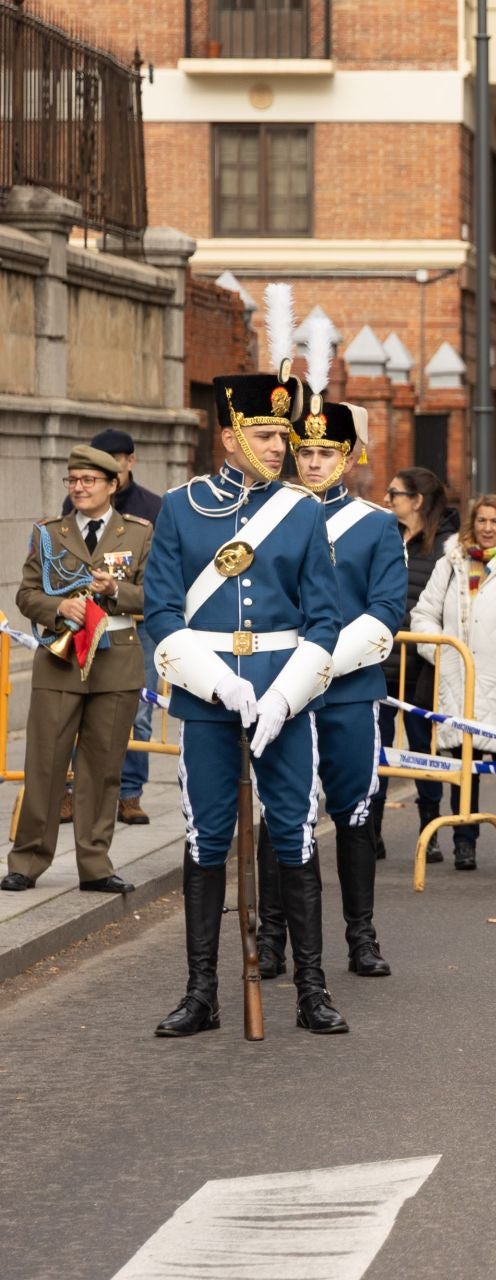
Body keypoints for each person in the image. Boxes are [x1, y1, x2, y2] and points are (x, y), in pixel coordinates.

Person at [147, 283, 346, 1037]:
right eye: (265, 437)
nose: (280, 448)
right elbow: (163, 616)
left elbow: (324, 621)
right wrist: (222, 684)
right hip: (207, 697)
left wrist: (286, 695)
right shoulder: (180, 508)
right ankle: (202, 993)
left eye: (281, 437)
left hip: (285, 699)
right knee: (206, 838)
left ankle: (312, 991)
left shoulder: (301, 512)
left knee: (293, 834)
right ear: (229, 439)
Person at [257, 365, 407, 980]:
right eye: (305, 451)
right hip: (278, 693)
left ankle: (361, 937)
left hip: (346, 692)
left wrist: (315, 668)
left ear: (349, 456)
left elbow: (385, 614)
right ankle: (271, 938)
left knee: (353, 813)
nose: (313, 462)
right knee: (280, 815)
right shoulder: (267, 516)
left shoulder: (375, 525)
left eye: (325, 452)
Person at [2, 446, 152, 895]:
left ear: (113, 485)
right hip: (61, 660)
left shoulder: (140, 534)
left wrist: (118, 591)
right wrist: (57, 606)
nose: (80, 488)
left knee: (104, 768)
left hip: (115, 662)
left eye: (89, 481)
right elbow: (26, 595)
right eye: (73, 480)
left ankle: (95, 864)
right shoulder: (49, 533)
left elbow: (158, 594)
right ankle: (27, 861)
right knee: (44, 765)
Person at [411, 496, 496, 871]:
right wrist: (442, 653)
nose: (487, 528)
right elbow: (423, 614)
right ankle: (464, 841)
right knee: (463, 766)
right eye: (481, 520)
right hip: (459, 679)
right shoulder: (450, 564)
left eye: (495, 522)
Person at [64, 429, 164, 826]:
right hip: (88, 621)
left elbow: (157, 579)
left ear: (130, 462)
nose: (108, 466)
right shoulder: (76, 503)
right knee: (79, 706)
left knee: (138, 711)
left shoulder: (153, 508)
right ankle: (73, 791)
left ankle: (130, 794)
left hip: (138, 626)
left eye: (115, 458)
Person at [378, 467, 460, 863]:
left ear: (417, 501)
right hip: (379, 662)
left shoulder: (449, 547)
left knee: (423, 751)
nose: (386, 500)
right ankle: (369, 832)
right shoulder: (382, 535)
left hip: (423, 666)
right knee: (373, 750)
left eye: (393, 494)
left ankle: (431, 832)